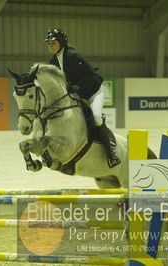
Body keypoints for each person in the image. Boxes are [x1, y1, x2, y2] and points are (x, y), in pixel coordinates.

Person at [45, 28, 120, 168]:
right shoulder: (53, 61)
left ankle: (111, 153)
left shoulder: (74, 56)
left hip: (93, 92)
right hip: (76, 95)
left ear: (61, 43)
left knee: (96, 116)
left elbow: (91, 74)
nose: (51, 46)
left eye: (53, 43)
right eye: (49, 43)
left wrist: (78, 87)